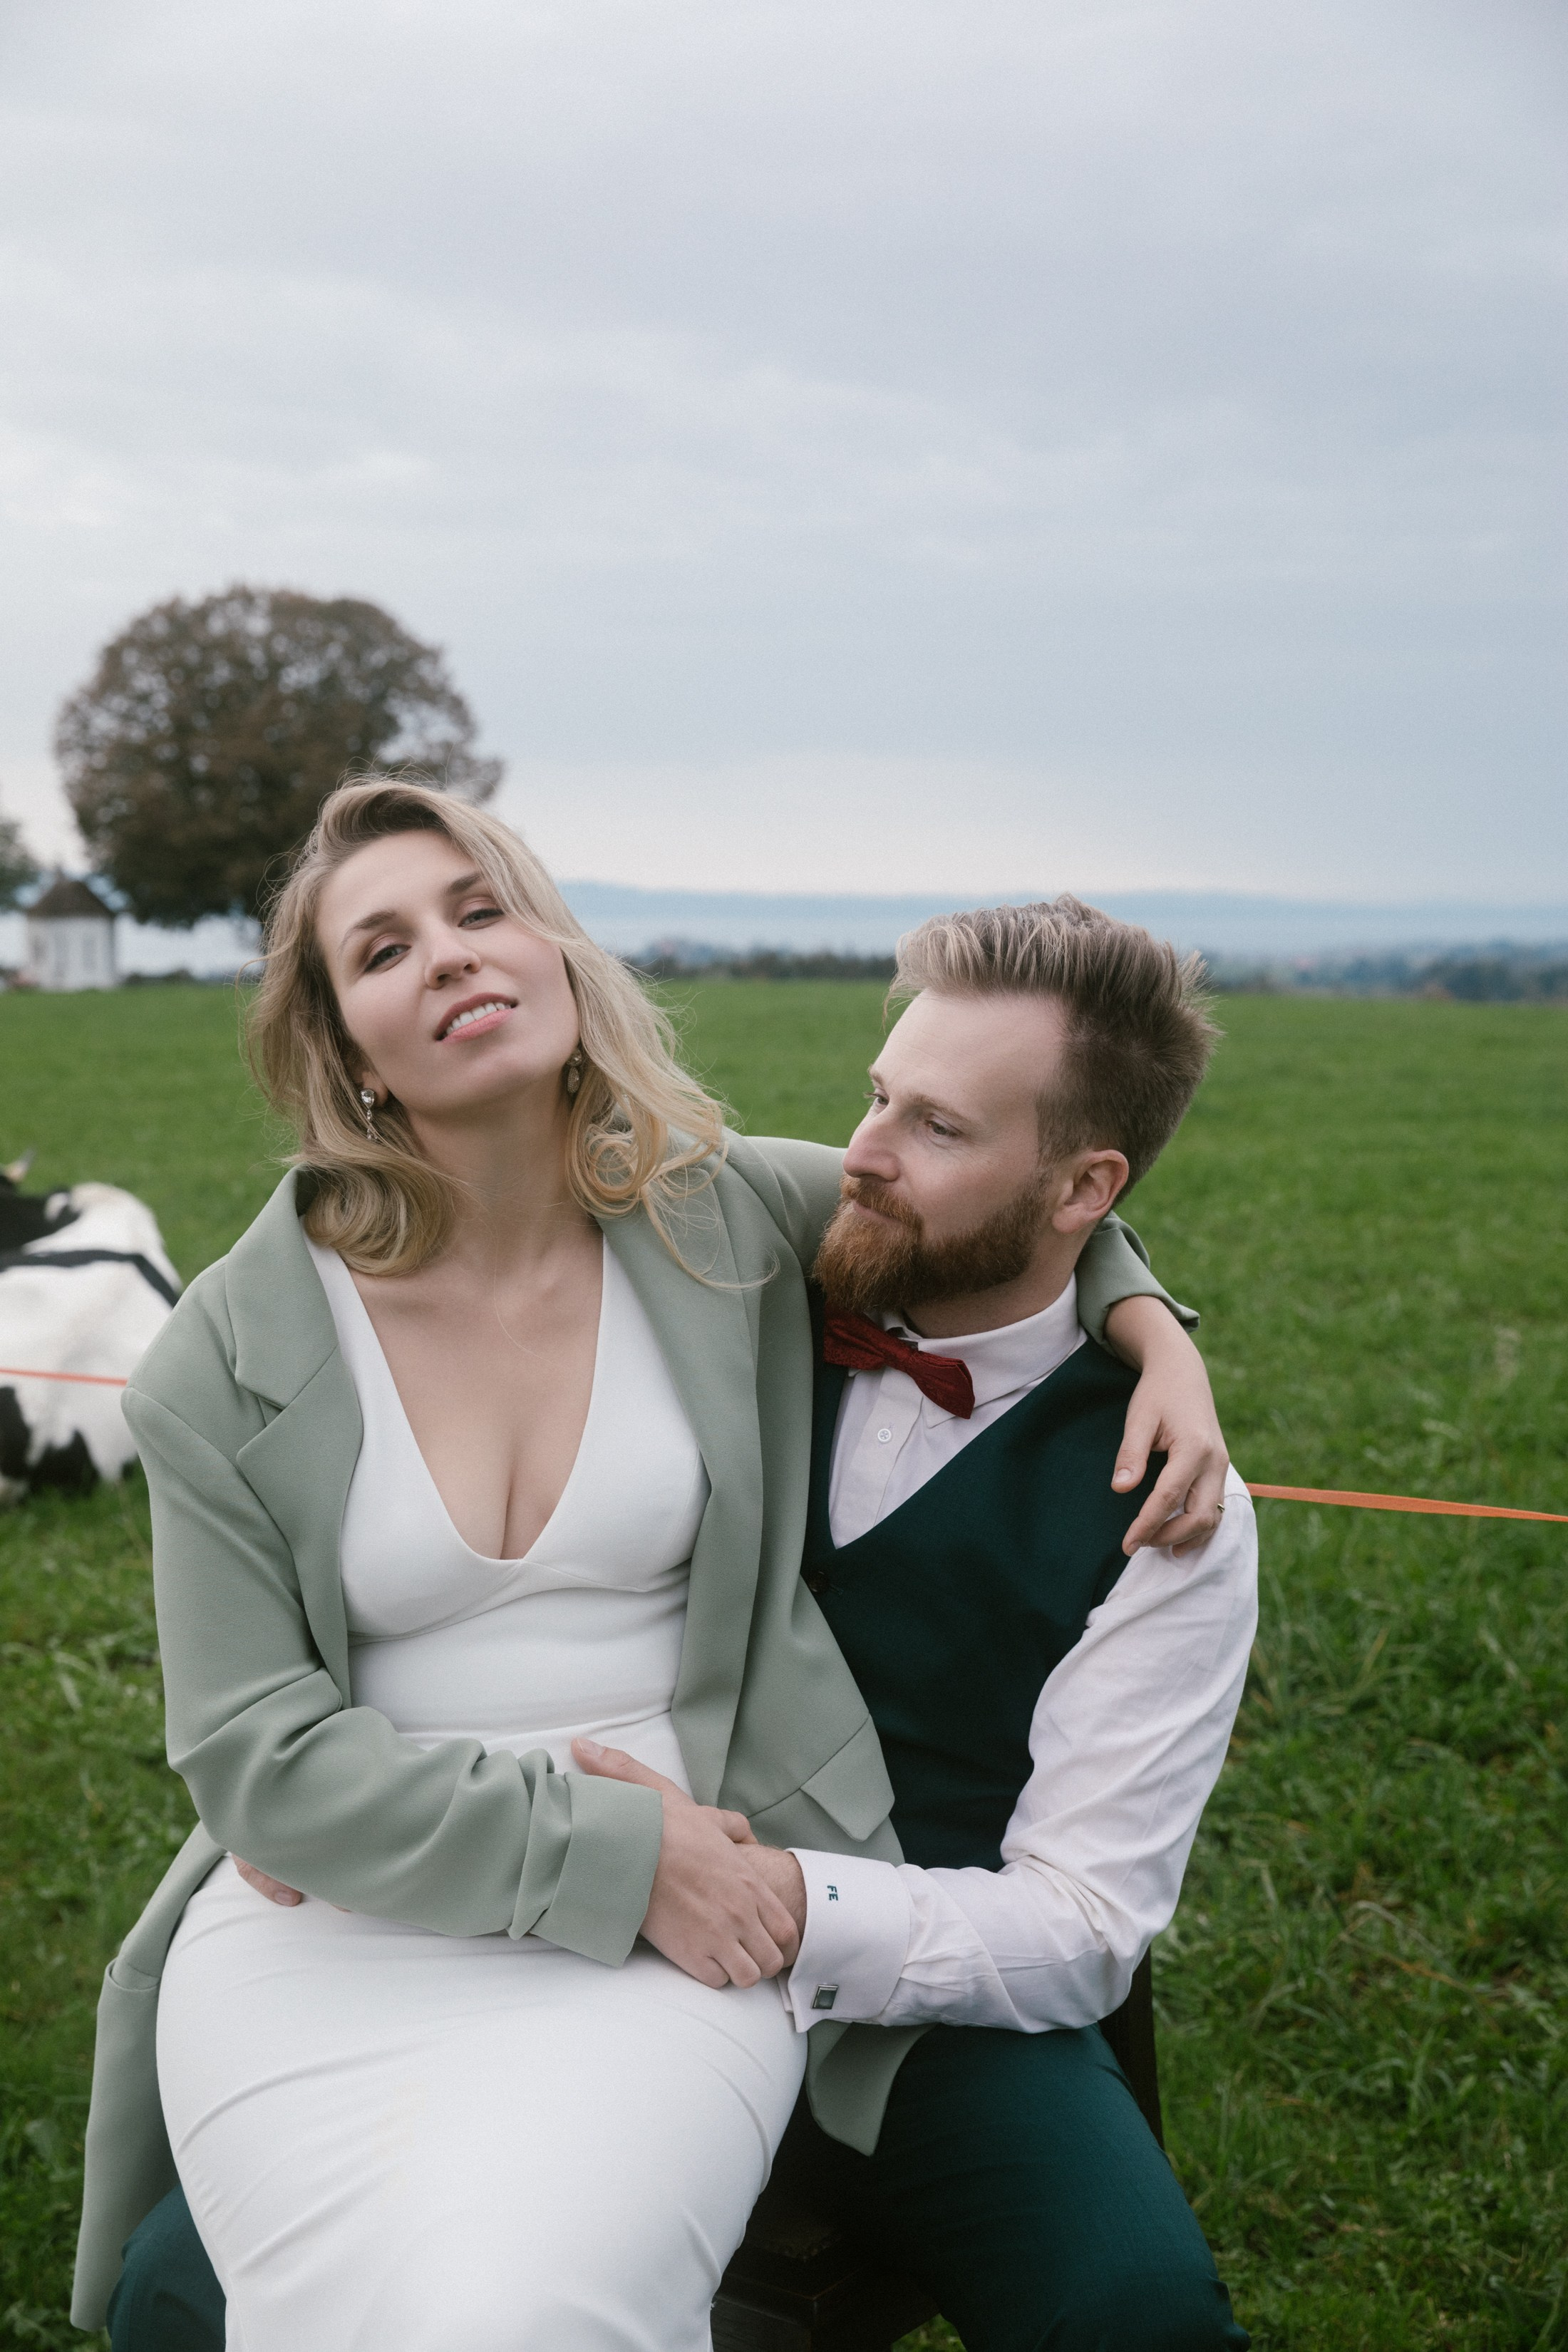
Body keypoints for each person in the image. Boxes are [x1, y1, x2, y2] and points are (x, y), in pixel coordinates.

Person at [74, 780, 1227, 2352]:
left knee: (525, 2309)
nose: (453, 958)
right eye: (385, 947)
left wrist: (1151, 1327)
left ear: (553, 949)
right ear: (341, 1037)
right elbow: (249, 1757)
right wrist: (617, 1854)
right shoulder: (224, 1348)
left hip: (679, 1910)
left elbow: (1003, 1206)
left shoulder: (721, 1221)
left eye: (482, 909)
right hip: (346, 1909)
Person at [577, 899, 1258, 2349]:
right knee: (193, 2272)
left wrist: (780, 1912)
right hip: (599, 1935)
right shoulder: (736, 1298)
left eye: (935, 1128)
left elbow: (1079, 1926)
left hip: (935, 2022)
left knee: (1137, 2319)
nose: (863, 1155)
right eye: (877, 1095)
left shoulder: (1166, 1496)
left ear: (1083, 1189)